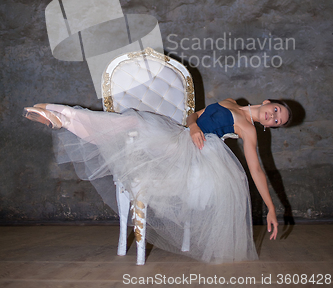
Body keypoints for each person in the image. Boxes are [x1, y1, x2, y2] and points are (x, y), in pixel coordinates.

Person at [23, 97, 291, 263]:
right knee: (127, 124)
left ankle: (64, 116)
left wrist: (269, 207)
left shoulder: (248, 129)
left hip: (190, 153)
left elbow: (256, 170)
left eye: (277, 121)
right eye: (276, 110)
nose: (274, 116)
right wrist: (195, 127)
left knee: (132, 124)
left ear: (271, 126)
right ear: (268, 101)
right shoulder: (232, 101)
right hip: (181, 134)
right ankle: (61, 118)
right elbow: (193, 115)